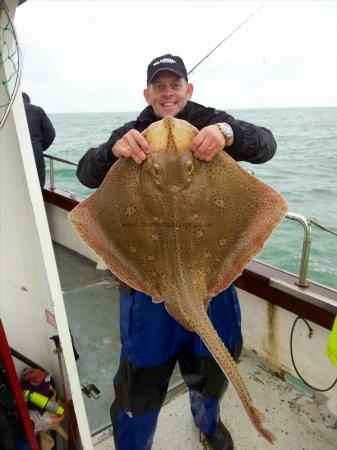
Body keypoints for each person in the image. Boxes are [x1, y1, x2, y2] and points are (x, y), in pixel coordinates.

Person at [76, 54, 277, 450]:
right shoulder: (133, 130)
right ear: (148, 93)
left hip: (210, 277)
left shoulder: (211, 119)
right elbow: (86, 174)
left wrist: (227, 133)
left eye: (175, 85)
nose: (168, 94)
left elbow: (266, 145)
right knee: (142, 378)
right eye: (160, 87)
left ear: (189, 89)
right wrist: (112, 150)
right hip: (148, 283)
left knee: (211, 365)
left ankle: (208, 423)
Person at [22, 92, 56, 188]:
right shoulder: (37, 110)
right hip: (35, 156)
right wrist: (39, 148)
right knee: (37, 187)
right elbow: (51, 133)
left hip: (11, 156)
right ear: (28, 101)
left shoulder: (8, 111)